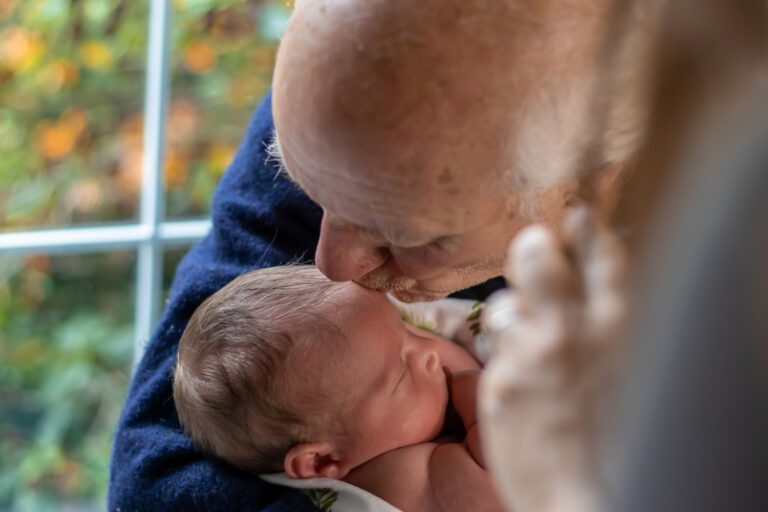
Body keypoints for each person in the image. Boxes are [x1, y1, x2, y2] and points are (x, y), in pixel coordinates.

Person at [109, 0, 640, 510]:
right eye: (311, 194)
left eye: (405, 235)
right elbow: (155, 480)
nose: (330, 265)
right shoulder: (347, 102)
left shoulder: (707, 268)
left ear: (595, 187)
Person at [172, 265, 503, 512]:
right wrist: (473, 390)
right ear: (321, 462)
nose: (429, 354)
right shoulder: (401, 479)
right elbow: (504, 475)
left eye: (409, 330)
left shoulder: (382, 424)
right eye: (401, 374)